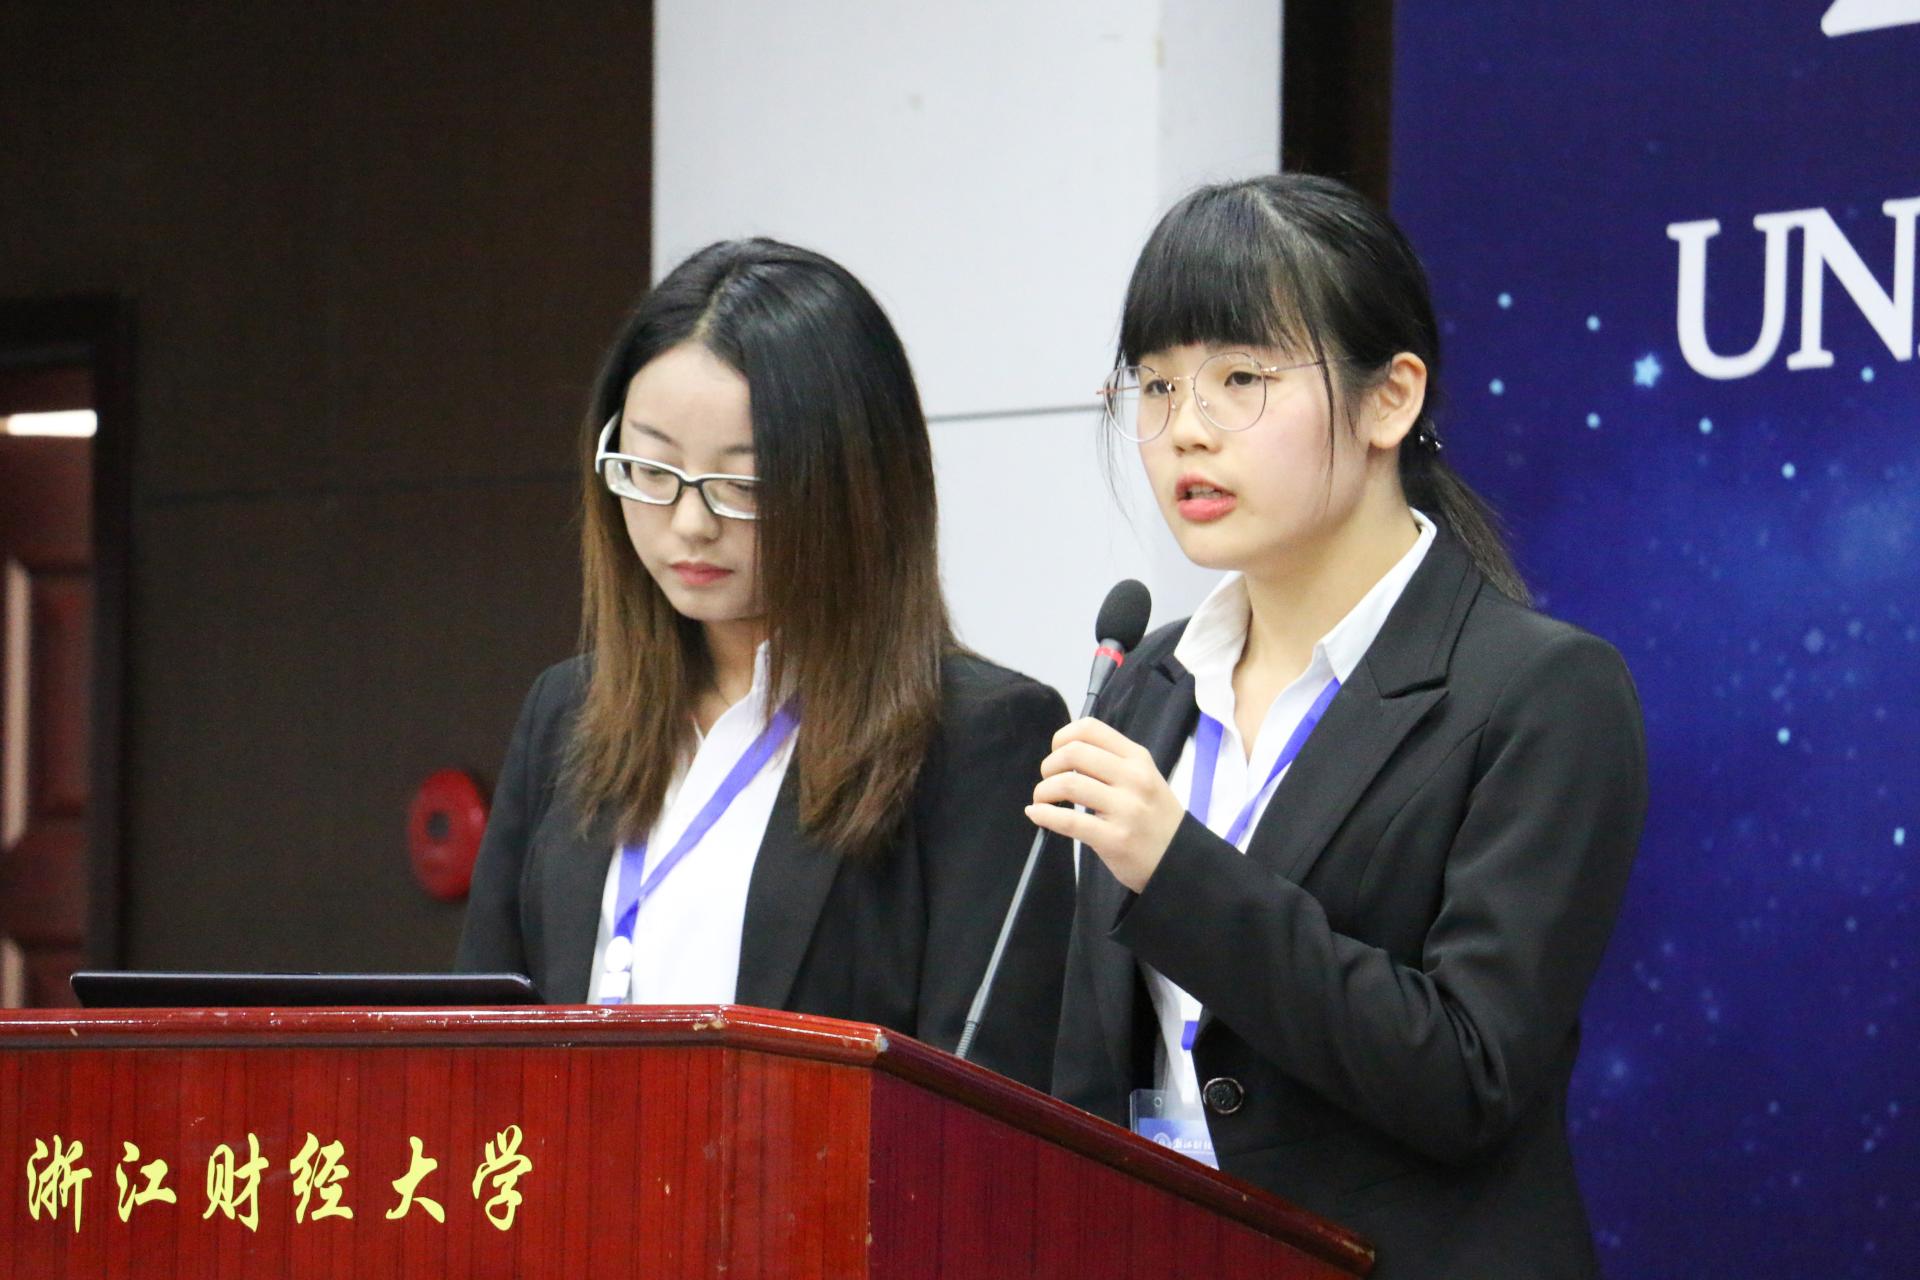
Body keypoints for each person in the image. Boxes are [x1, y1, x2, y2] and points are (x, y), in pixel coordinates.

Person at [1034, 175, 1646, 1276]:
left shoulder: (1541, 692)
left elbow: (1469, 1076)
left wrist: (1180, 869)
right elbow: (1094, 1068)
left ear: (1390, 400)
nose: (1185, 431)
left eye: (1240, 379)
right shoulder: (1152, 681)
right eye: (1157, 386)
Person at [457, 238, 1072, 1090]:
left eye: (743, 485)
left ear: (857, 486)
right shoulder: (566, 710)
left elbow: (991, 1104)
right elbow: (476, 1043)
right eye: (651, 469)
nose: (689, 523)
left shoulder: (981, 738)